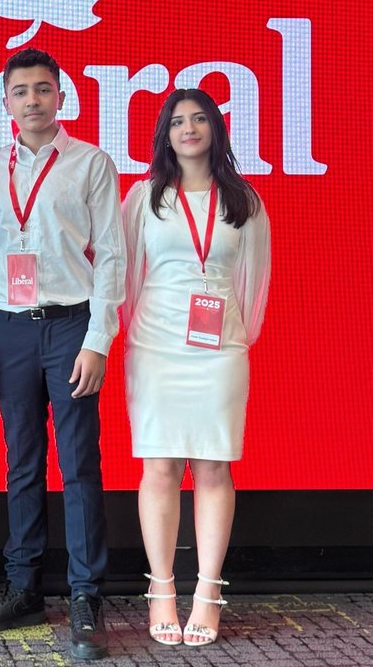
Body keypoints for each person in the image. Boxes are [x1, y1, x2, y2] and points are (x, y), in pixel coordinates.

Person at [0, 48, 126, 661]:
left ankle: (85, 596)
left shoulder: (90, 163)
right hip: (10, 328)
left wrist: (98, 341)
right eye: (21, 91)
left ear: (61, 98)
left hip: (72, 324)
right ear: (4, 103)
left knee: (78, 464)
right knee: (22, 460)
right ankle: (24, 588)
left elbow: (111, 256)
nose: (33, 100)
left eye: (43, 89)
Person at [122, 88, 271, 647]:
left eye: (199, 119)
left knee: (213, 470)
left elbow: (253, 284)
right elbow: (128, 280)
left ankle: (208, 592)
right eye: (178, 121)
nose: (189, 129)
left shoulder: (244, 200)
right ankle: (161, 589)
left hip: (220, 351)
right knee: (159, 469)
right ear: (165, 133)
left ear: (215, 129)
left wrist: (233, 340)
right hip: (156, 347)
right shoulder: (144, 197)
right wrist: (142, 335)